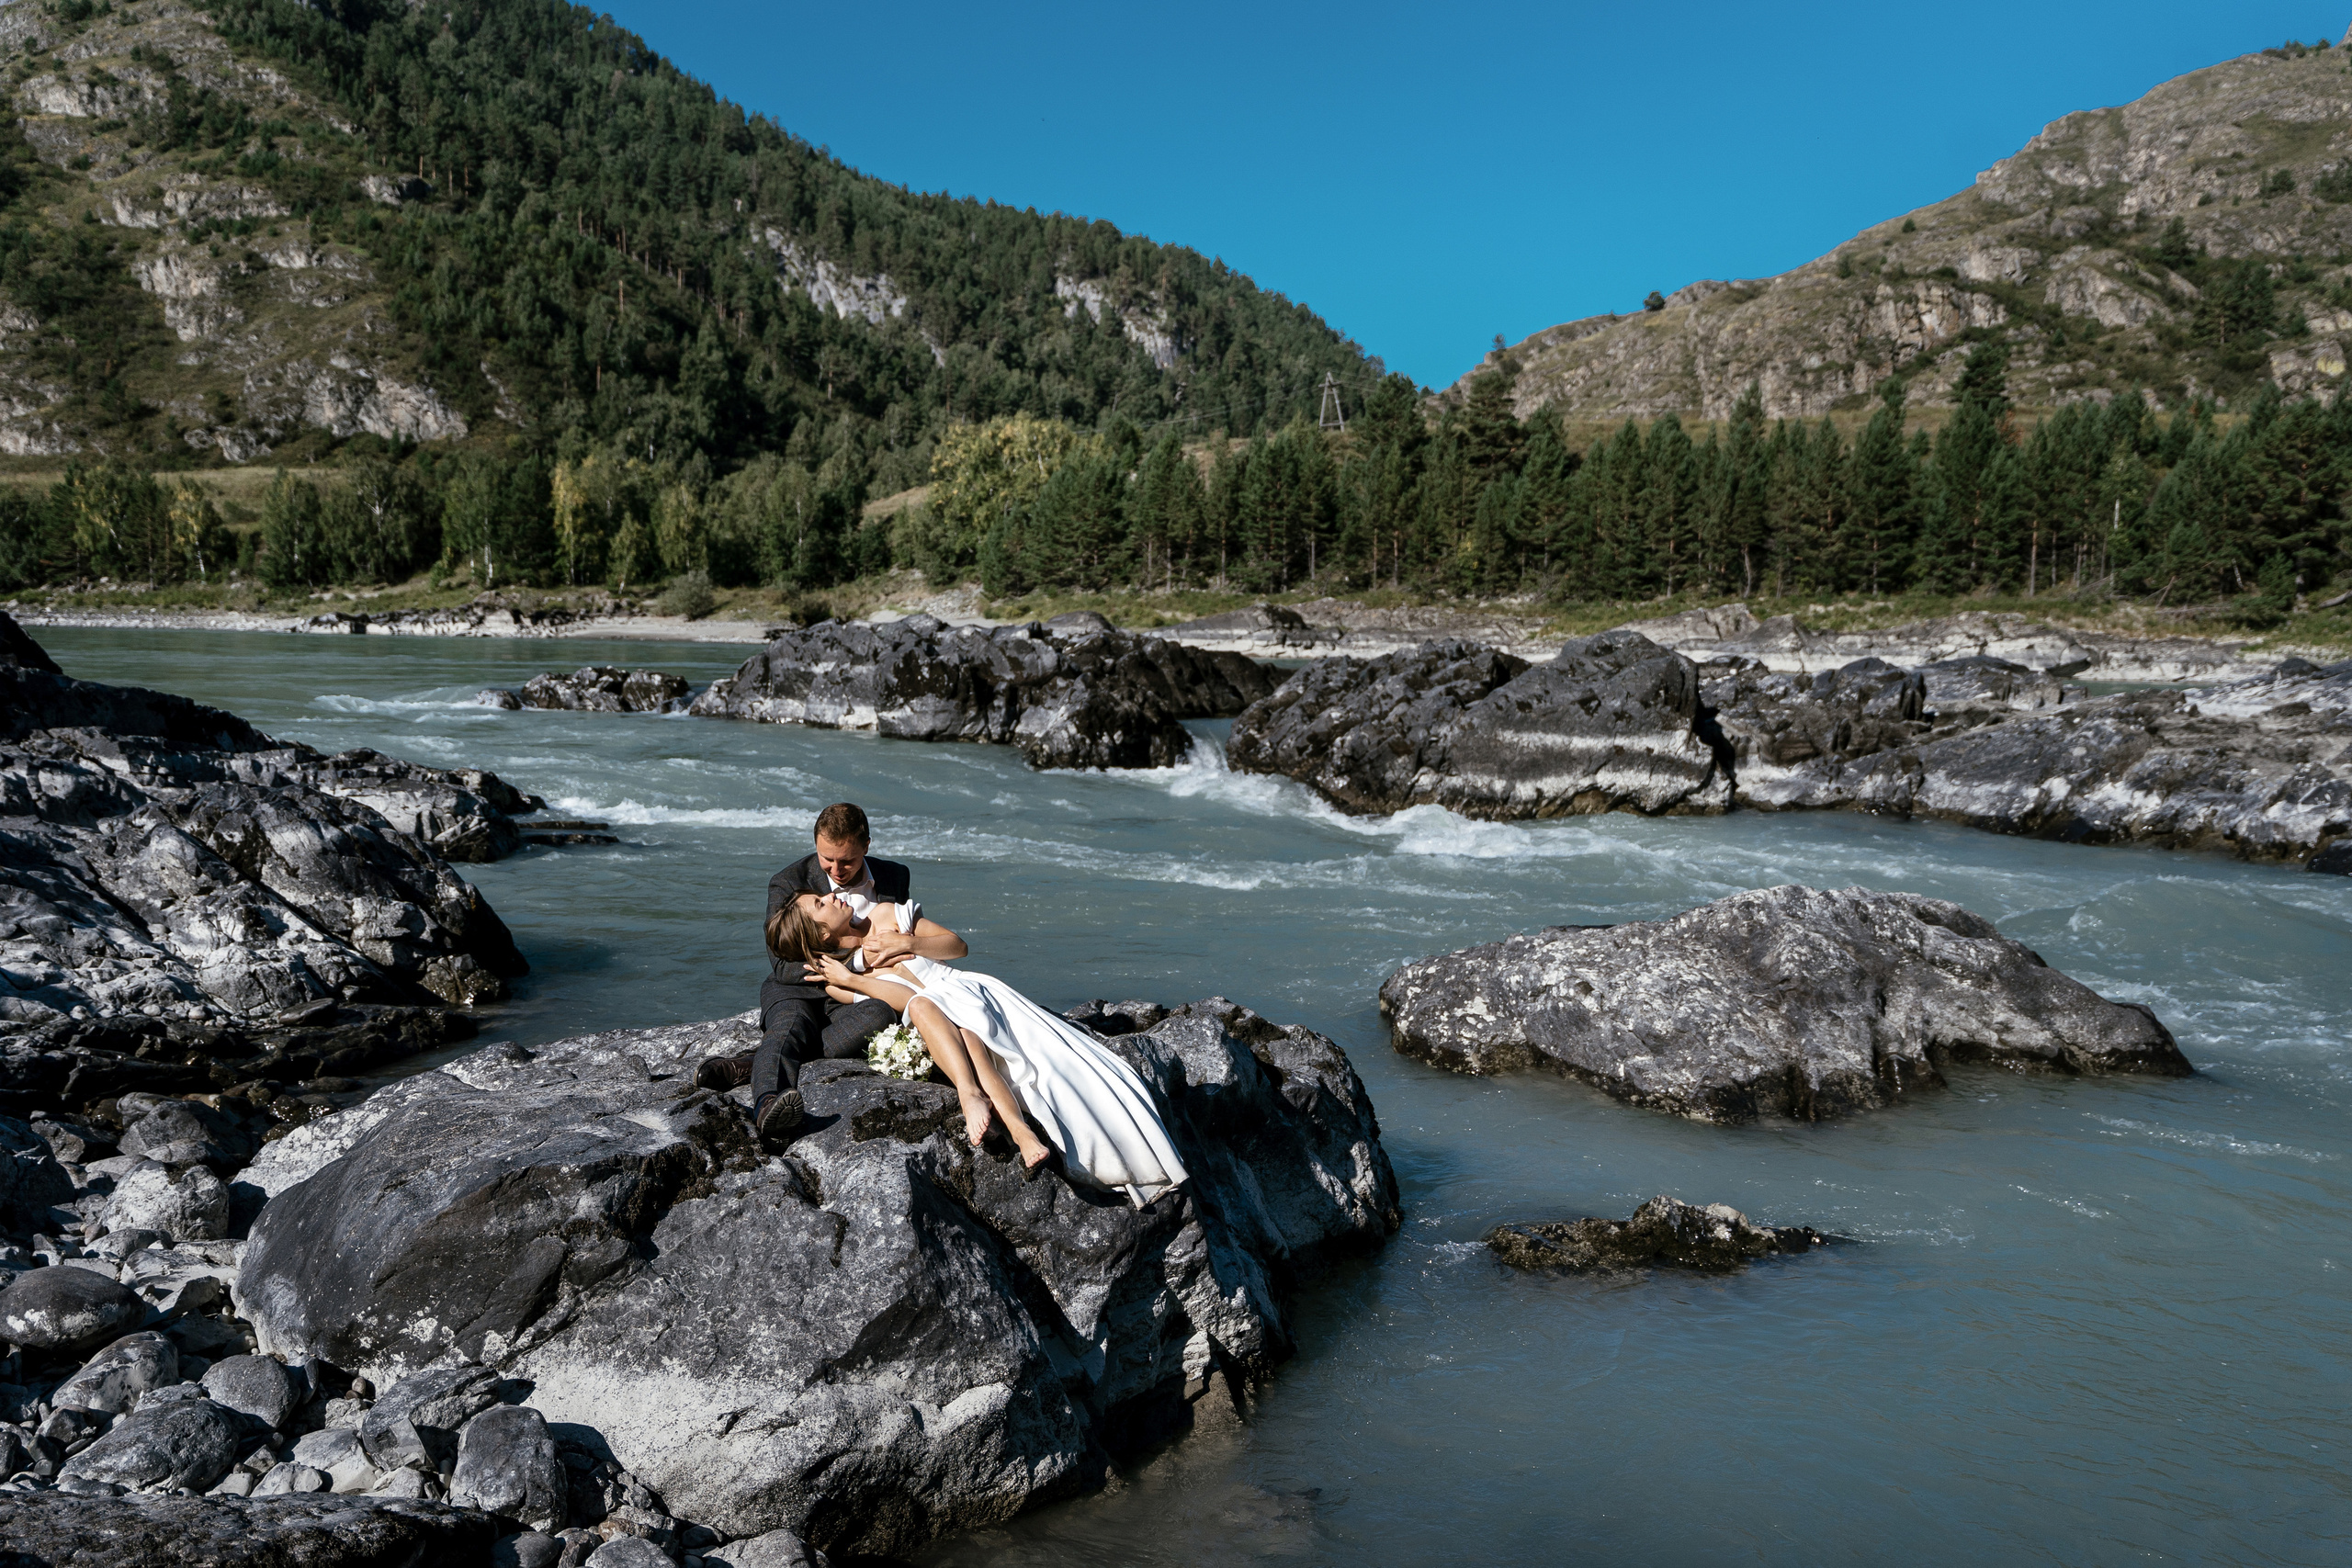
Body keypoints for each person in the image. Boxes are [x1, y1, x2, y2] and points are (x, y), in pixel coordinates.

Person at [765, 891, 1188, 1207]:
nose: (832, 894)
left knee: (977, 1032)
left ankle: (995, 1113)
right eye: (821, 903)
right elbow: (900, 999)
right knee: (954, 1028)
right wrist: (853, 979)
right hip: (934, 1013)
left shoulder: (887, 914)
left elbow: (956, 946)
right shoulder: (841, 979)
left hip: (967, 991)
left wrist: (906, 944)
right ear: (821, 933)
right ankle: (1021, 1134)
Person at [697, 802, 967, 1143]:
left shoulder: (895, 876)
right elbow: (781, 962)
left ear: (866, 846)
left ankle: (757, 1062)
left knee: (882, 1013)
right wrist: (846, 967)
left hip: (859, 991)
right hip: (798, 987)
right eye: (827, 859)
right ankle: (767, 1102)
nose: (836, 869)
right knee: (790, 1025)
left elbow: (903, 938)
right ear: (815, 845)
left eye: (847, 860)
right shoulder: (787, 882)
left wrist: (862, 975)